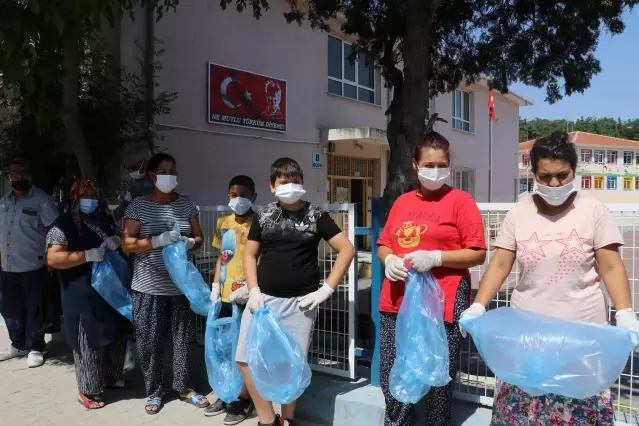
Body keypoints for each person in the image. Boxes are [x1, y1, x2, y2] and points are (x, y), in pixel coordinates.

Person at [460, 132, 639, 425]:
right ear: (533, 173)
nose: (554, 184)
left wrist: (626, 313)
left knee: (576, 415)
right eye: (545, 177)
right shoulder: (519, 212)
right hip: (527, 341)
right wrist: (478, 306)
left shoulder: (593, 209)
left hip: (581, 341)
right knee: (522, 416)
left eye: (562, 175)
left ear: (574, 172)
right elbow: (502, 262)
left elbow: (610, 266)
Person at [377, 132, 487, 426]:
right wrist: (388, 259)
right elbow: (384, 242)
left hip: (443, 303)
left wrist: (437, 257)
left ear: (449, 165)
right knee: (393, 376)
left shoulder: (460, 202)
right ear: (415, 165)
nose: (435, 171)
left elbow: (477, 252)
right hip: (397, 301)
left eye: (441, 164)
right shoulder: (402, 202)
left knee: (438, 379)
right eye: (428, 164)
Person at [239, 157, 355, 426]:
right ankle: (267, 420)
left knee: (291, 364)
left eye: (295, 181)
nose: (290, 185)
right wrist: (253, 290)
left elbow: (347, 249)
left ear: (302, 183)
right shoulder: (264, 215)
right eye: (283, 181)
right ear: (272, 185)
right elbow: (249, 255)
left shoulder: (316, 215)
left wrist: (327, 289)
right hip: (263, 302)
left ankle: (288, 419)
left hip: (300, 304)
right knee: (246, 359)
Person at [121, 152, 210, 415]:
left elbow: (199, 237)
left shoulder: (186, 204)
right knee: (150, 341)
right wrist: (156, 241)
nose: (170, 175)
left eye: (173, 170)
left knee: (184, 339)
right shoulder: (138, 206)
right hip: (148, 285)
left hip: (180, 286)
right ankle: (155, 391)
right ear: (152, 175)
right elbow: (127, 244)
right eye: (164, 170)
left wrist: (190, 242)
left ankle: (185, 387)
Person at [46, 177, 132, 409]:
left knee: (116, 332)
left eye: (93, 197)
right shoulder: (62, 225)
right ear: (74, 199)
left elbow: (119, 239)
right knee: (88, 340)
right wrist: (86, 255)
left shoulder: (104, 220)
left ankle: (111, 377)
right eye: (84, 197)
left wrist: (115, 240)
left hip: (111, 290)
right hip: (81, 292)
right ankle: (88, 389)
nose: (89, 202)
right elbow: (53, 259)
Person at [205, 175, 257, 424]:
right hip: (226, 296)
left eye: (244, 194)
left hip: (248, 296)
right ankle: (227, 394)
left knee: (245, 352)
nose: (239, 199)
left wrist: (251, 286)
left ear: (254, 197)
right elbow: (222, 257)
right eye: (234, 194)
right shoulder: (223, 222)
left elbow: (264, 258)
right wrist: (215, 285)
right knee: (224, 349)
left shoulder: (259, 222)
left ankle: (244, 400)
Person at [0, 157, 60, 368]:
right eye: (14, 173)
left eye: (23, 172)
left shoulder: (41, 200)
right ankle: (18, 344)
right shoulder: (4, 202)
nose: (19, 176)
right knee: (9, 308)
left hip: (33, 267)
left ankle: (35, 347)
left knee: (34, 308)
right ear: (8, 176)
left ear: (30, 175)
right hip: (7, 268)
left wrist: (53, 257)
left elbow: (56, 230)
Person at [113, 144, 154, 222]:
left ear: (145, 163)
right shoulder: (134, 184)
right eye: (128, 169)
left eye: (133, 168)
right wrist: (110, 219)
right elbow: (125, 205)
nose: (131, 172)